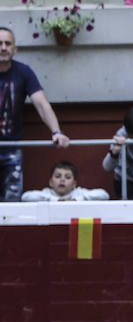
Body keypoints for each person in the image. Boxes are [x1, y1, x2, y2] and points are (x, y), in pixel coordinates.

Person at [0, 25, 70, 202]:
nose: (3, 48)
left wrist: (56, 132)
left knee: (12, 206)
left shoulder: (23, 72)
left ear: (15, 49)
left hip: (12, 149)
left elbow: (41, 104)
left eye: (8, 44)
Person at [21, 161, 107, 202]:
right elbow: (25, 197)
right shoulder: (47, 193)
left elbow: (104, 195)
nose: (62, 180)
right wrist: (56, 200)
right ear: (51, 182)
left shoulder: (78, 192)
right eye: (58, 176)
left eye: (68, 177)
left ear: (74, 184)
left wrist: (76, 200)